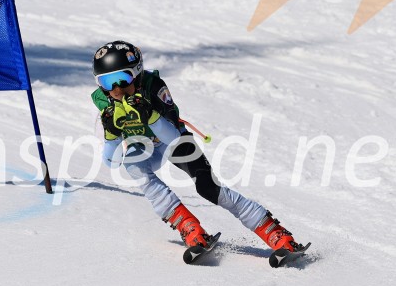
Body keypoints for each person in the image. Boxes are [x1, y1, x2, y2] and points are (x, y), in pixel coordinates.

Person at [89, 40, 308, 266]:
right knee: (133, 165)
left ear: (137, 73)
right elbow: (112, 162)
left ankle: (277, 234)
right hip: (144, 145)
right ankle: (190, 228)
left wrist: (151, 116)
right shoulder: (103, 101)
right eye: (106, 82)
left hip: (171, 139)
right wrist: (111, 133)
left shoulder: (153, 87)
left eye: (122, 79)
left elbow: (173, 139)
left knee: (208, 188)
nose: (116, 90)